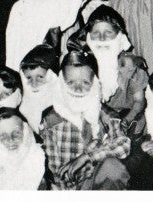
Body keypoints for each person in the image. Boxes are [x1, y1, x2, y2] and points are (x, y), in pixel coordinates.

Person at [40, 50, 131, 190]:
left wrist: (87, 157)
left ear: (94, 83)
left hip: (98, 183)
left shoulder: (105, 115)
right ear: (62, 83)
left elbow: (123, 147)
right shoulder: (51, 121)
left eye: (85, 82)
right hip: (70, 189)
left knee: (113, 168)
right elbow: (56, 172)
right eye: (71, 82)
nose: (78, 89)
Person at [81, 5, 148, 136]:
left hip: (127, 117)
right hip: (94, 116)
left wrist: (126, 121)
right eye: (96, 33)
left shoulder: (131, 65)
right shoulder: (83, 64)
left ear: (119, 36)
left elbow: (139, 101)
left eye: (108, 33)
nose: (102, 38)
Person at [0, 108, 46, 190]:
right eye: (3, 136)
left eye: (16, 133)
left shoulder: (39, 161)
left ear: (26, 132)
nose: (10, 140)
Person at [18, 43, 59, 133]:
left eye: (40, 77)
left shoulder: (60, 108)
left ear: (52, 77)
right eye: (29, 78)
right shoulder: (20, 107)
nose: (34, 84)